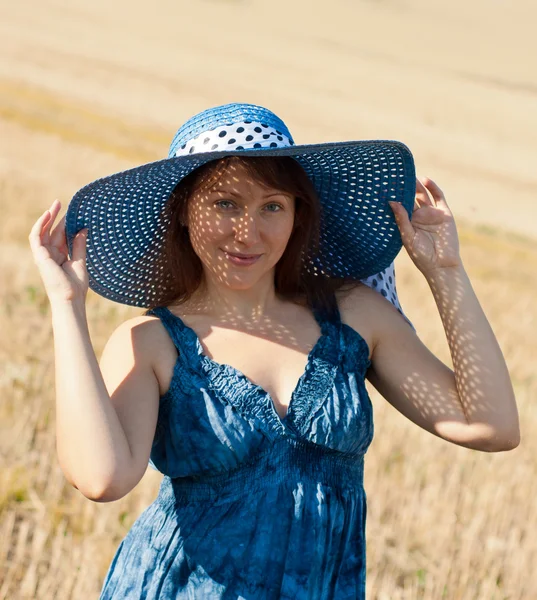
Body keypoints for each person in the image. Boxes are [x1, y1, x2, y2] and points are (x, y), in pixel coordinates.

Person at [29, 103, 520, 599]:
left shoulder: (353, 317)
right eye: (224, 204)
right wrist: (67, 304)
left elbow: (490, 425)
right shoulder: (153, 342)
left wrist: (446, 272)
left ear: (297, 213)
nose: (250, 232)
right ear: (181, 211)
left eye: (272, 206)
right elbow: (101, 478)